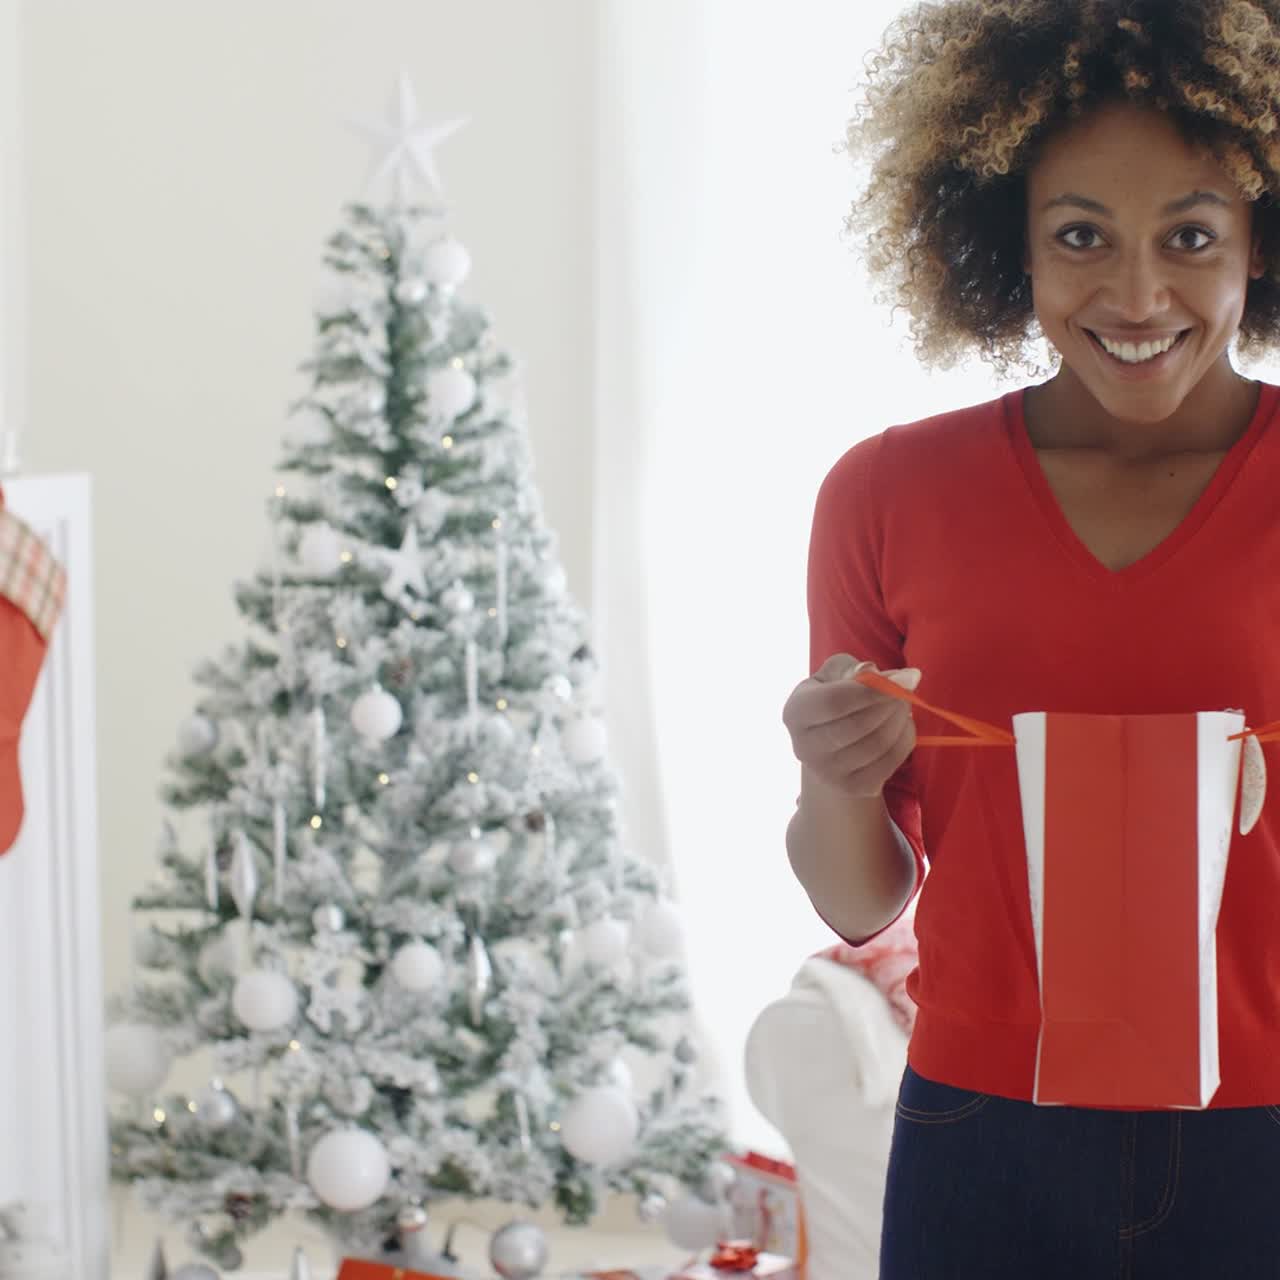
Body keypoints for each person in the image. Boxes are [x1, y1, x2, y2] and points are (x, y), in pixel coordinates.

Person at [781, 1, 1280, 1276]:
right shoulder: (886, 494)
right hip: (983, 1133)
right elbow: (861, 894)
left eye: (1189, 236)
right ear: (1006, 242)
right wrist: (834, 774)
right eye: (1078, 235)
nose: (1135, 294)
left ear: (1257, 242)